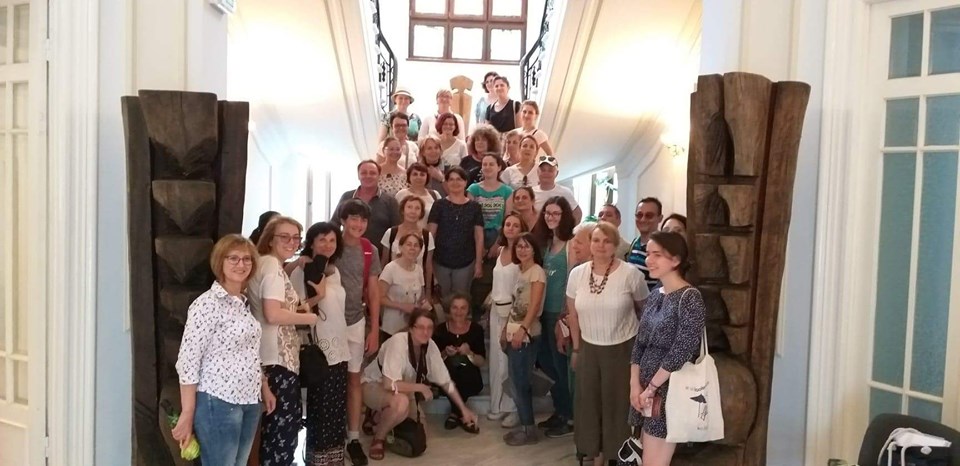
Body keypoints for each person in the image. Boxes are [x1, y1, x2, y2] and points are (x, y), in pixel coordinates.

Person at [173, 234, 263, 466]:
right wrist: (187, 412)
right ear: (219, 262)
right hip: (219, 400)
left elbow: (249, 352)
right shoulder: (206, 304)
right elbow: (188, 360)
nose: (241, 264)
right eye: (233, 258)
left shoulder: (243, 302)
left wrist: (264, 386)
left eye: (247, 259)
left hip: (250, 399)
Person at [566, 222, 649, 466]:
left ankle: (618, 455)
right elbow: (573, 315)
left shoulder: (631, 274)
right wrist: (577, 348)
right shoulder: (577, 275)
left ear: (615, 245)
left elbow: (645, 312)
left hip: (622, 348)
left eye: (607, 241)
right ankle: (595, 454)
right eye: (596, 240)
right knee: (589, 404)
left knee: (617, 405)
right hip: (589, 348)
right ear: (590, 243)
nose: (601, 246)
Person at [361, 309, 479, 461]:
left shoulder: (430, 347)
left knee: (420, 436)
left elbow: (446, 382)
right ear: (411, 328)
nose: (425, 332)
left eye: (429, 328)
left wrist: (464, 410)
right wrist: (420, 387)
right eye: (420, 327)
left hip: (404, 390)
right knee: (401, 404)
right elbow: (389, 384)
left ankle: (378, 419)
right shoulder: (398, 342)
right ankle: (379, 438)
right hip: (374, 385)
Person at [247, 217, 320, 464]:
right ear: (270, 239)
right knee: (282, 433)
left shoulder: (267, 264)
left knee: (273, 429)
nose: (291, 242)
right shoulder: (271, 267)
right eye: (284, 237)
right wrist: (309, 318)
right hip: (276, 358)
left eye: (296, 237)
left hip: (271, 356)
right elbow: (273, 314)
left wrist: (306, 305)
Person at [629, 231, 705, 466]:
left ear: (675, 260)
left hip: (668, 391)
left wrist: (651, 388)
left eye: (657, 255)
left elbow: (682, 349)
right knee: (643, 455)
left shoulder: (690, 298)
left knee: (654, 461)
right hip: (645, 389)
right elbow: (640, 343)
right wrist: (634, 385)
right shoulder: (655, 295)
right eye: (648, 254)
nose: (649, 260)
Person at [291, 222, 351, 465]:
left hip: (340, 345)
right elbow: (294, 310)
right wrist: (319, 296)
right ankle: (318, 459)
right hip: (319, 348)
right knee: (321, 407)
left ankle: (334, 459)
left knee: (336, 407)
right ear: (312, 243)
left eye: (332, 240)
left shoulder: (334, 270)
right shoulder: (302, 270)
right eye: (322, 240)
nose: (327, 245)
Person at [336, 199, 384, 466]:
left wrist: (374, 328)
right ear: (343, 220)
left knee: (354, 379)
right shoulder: (330, 243)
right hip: (327, 324)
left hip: (355, 321)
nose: (358, 224)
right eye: (353, 218)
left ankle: (353, 438)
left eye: (363, 220)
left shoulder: (369, 250)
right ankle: (329, 435)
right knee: (330, 380)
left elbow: (374, 292)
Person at [530, 197, 576, 438]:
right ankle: (560, 411)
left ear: (565, 216)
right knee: (548, 367)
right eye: (547, 213)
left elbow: (572, 280)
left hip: (559, 315)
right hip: (543, 313)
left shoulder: (571, 244)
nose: (550, 217)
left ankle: (569, 417)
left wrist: (565, 315)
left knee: (561, 368)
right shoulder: (546, 244)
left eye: (556, 213)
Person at [502, 232, 546, 446]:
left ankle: (529, 430)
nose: (522, 250)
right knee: (516, 381)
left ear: (534, 249)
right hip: (513, 331)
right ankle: (525, 426)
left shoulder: (536, 272)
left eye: (527, 246)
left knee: (521, 383)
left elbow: (534, 306)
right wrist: (505, 329)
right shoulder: (520, 271)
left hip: (527, 334)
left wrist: (522, 330)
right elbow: (515, 304)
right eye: (519, 246)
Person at [487, 212, 527, 426]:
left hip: (513, 314)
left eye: (515, 225)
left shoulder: (522, 254)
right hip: (496, 311)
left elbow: (521, 290)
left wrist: (514, 320)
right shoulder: (501, 250)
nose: (510, 228)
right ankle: (496, 405)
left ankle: (512, 408)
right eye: (507, 224)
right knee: (496, 360)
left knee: (510, 363)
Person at [428, 167, 484, 298]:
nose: (455, 182)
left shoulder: (474, 207)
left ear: (465, 182)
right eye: (451, 179)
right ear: (447, 182)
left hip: (466, 261)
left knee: (461, 298)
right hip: (440, 260)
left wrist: (478, 263)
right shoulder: (439, 205)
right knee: (443, 298)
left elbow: (479, 236)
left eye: (459, 179)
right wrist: (428, 260)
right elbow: (431, 234)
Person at [433, 293, 485, 433]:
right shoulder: (440, 330)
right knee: (453, 364)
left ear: (468, 310)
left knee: (462, 365)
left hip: (470, 379)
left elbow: (481, 361)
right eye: (455, 307)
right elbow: (432, 362)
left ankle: (455, 413)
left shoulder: (476, 329)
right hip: (447, 378)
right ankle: (464, 415)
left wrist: (469, 353)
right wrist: (445, 353)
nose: (458, 312)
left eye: (463, 308)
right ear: (449, 309)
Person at [331, 160, 401, 256]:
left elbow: (396, 230)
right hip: (346, 254)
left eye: (372, 173)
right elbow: (334, 223)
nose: (368, 176)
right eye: (364, 173)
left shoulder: (390, 201)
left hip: (378, 256)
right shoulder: (347, 196)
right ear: (358, 175)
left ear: (379, 176)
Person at [378, 233, 432, 340]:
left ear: (420, 250)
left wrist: (425, 304)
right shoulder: (390, 268)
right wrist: (402, 306)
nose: (412, 248)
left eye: (416, 245)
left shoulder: (419, 269)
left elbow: (421, 297)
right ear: (400, 247)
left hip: (412, 325)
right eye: (409, 244)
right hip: (392, 326)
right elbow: (379, 297)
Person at [626, 197, 664, 291]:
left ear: (660, 218)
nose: (643, 219)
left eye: (649, 215)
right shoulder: (634, 243)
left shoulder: (664, 248)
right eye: (639, 215)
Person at [533, 155, 582, 223]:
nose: (546, 173)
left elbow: (577, 213)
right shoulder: (531, 192)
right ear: (538, 172)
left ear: (557, 173)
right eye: (543, 170)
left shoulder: (565, 192)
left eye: (550, 170)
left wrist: (569, 228)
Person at [394, 162, 442, 230]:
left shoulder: (435, 195)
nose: (418, 177)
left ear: (427, 177)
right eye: (415, 174)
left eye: (422, 174)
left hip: (427, 235)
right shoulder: (400, 194)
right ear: (409, 176)